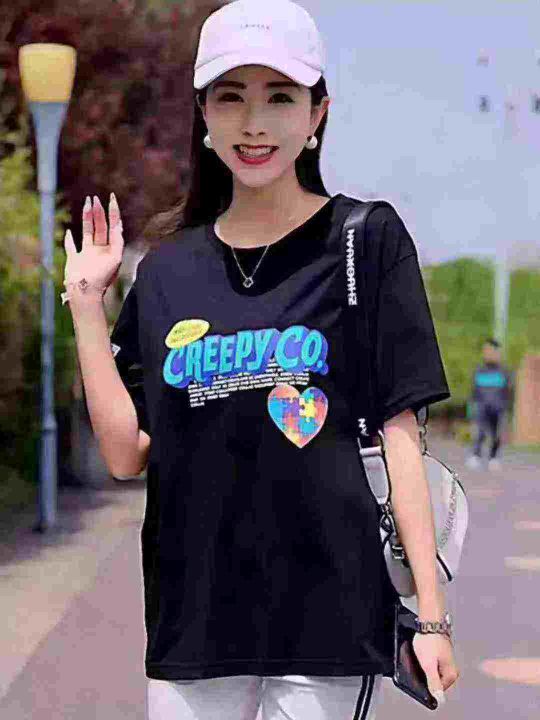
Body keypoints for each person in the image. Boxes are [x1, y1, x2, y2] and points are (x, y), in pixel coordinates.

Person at [62, 1, 459, 717]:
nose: (254, 123)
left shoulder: (364, 240)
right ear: (203, 115)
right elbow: (125, 454)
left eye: (280, 97)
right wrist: (88, 307)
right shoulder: (167, 271)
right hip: (194, 624)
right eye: (231, 97)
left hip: (329, 621)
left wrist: (430, 619)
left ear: (317, 115)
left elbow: (400, 433)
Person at [465, 338, 513, 471]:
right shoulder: (479, 371)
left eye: (491, 350)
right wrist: (470, 409)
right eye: (486, 350)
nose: (488, 353)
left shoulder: (504, 372)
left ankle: (494, 457)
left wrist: (506, 410)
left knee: (496, 434)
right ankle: (476, 455)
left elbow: (509, 392)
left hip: (498, 408)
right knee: (479, 432)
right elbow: (473, 393)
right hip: (481, 407)